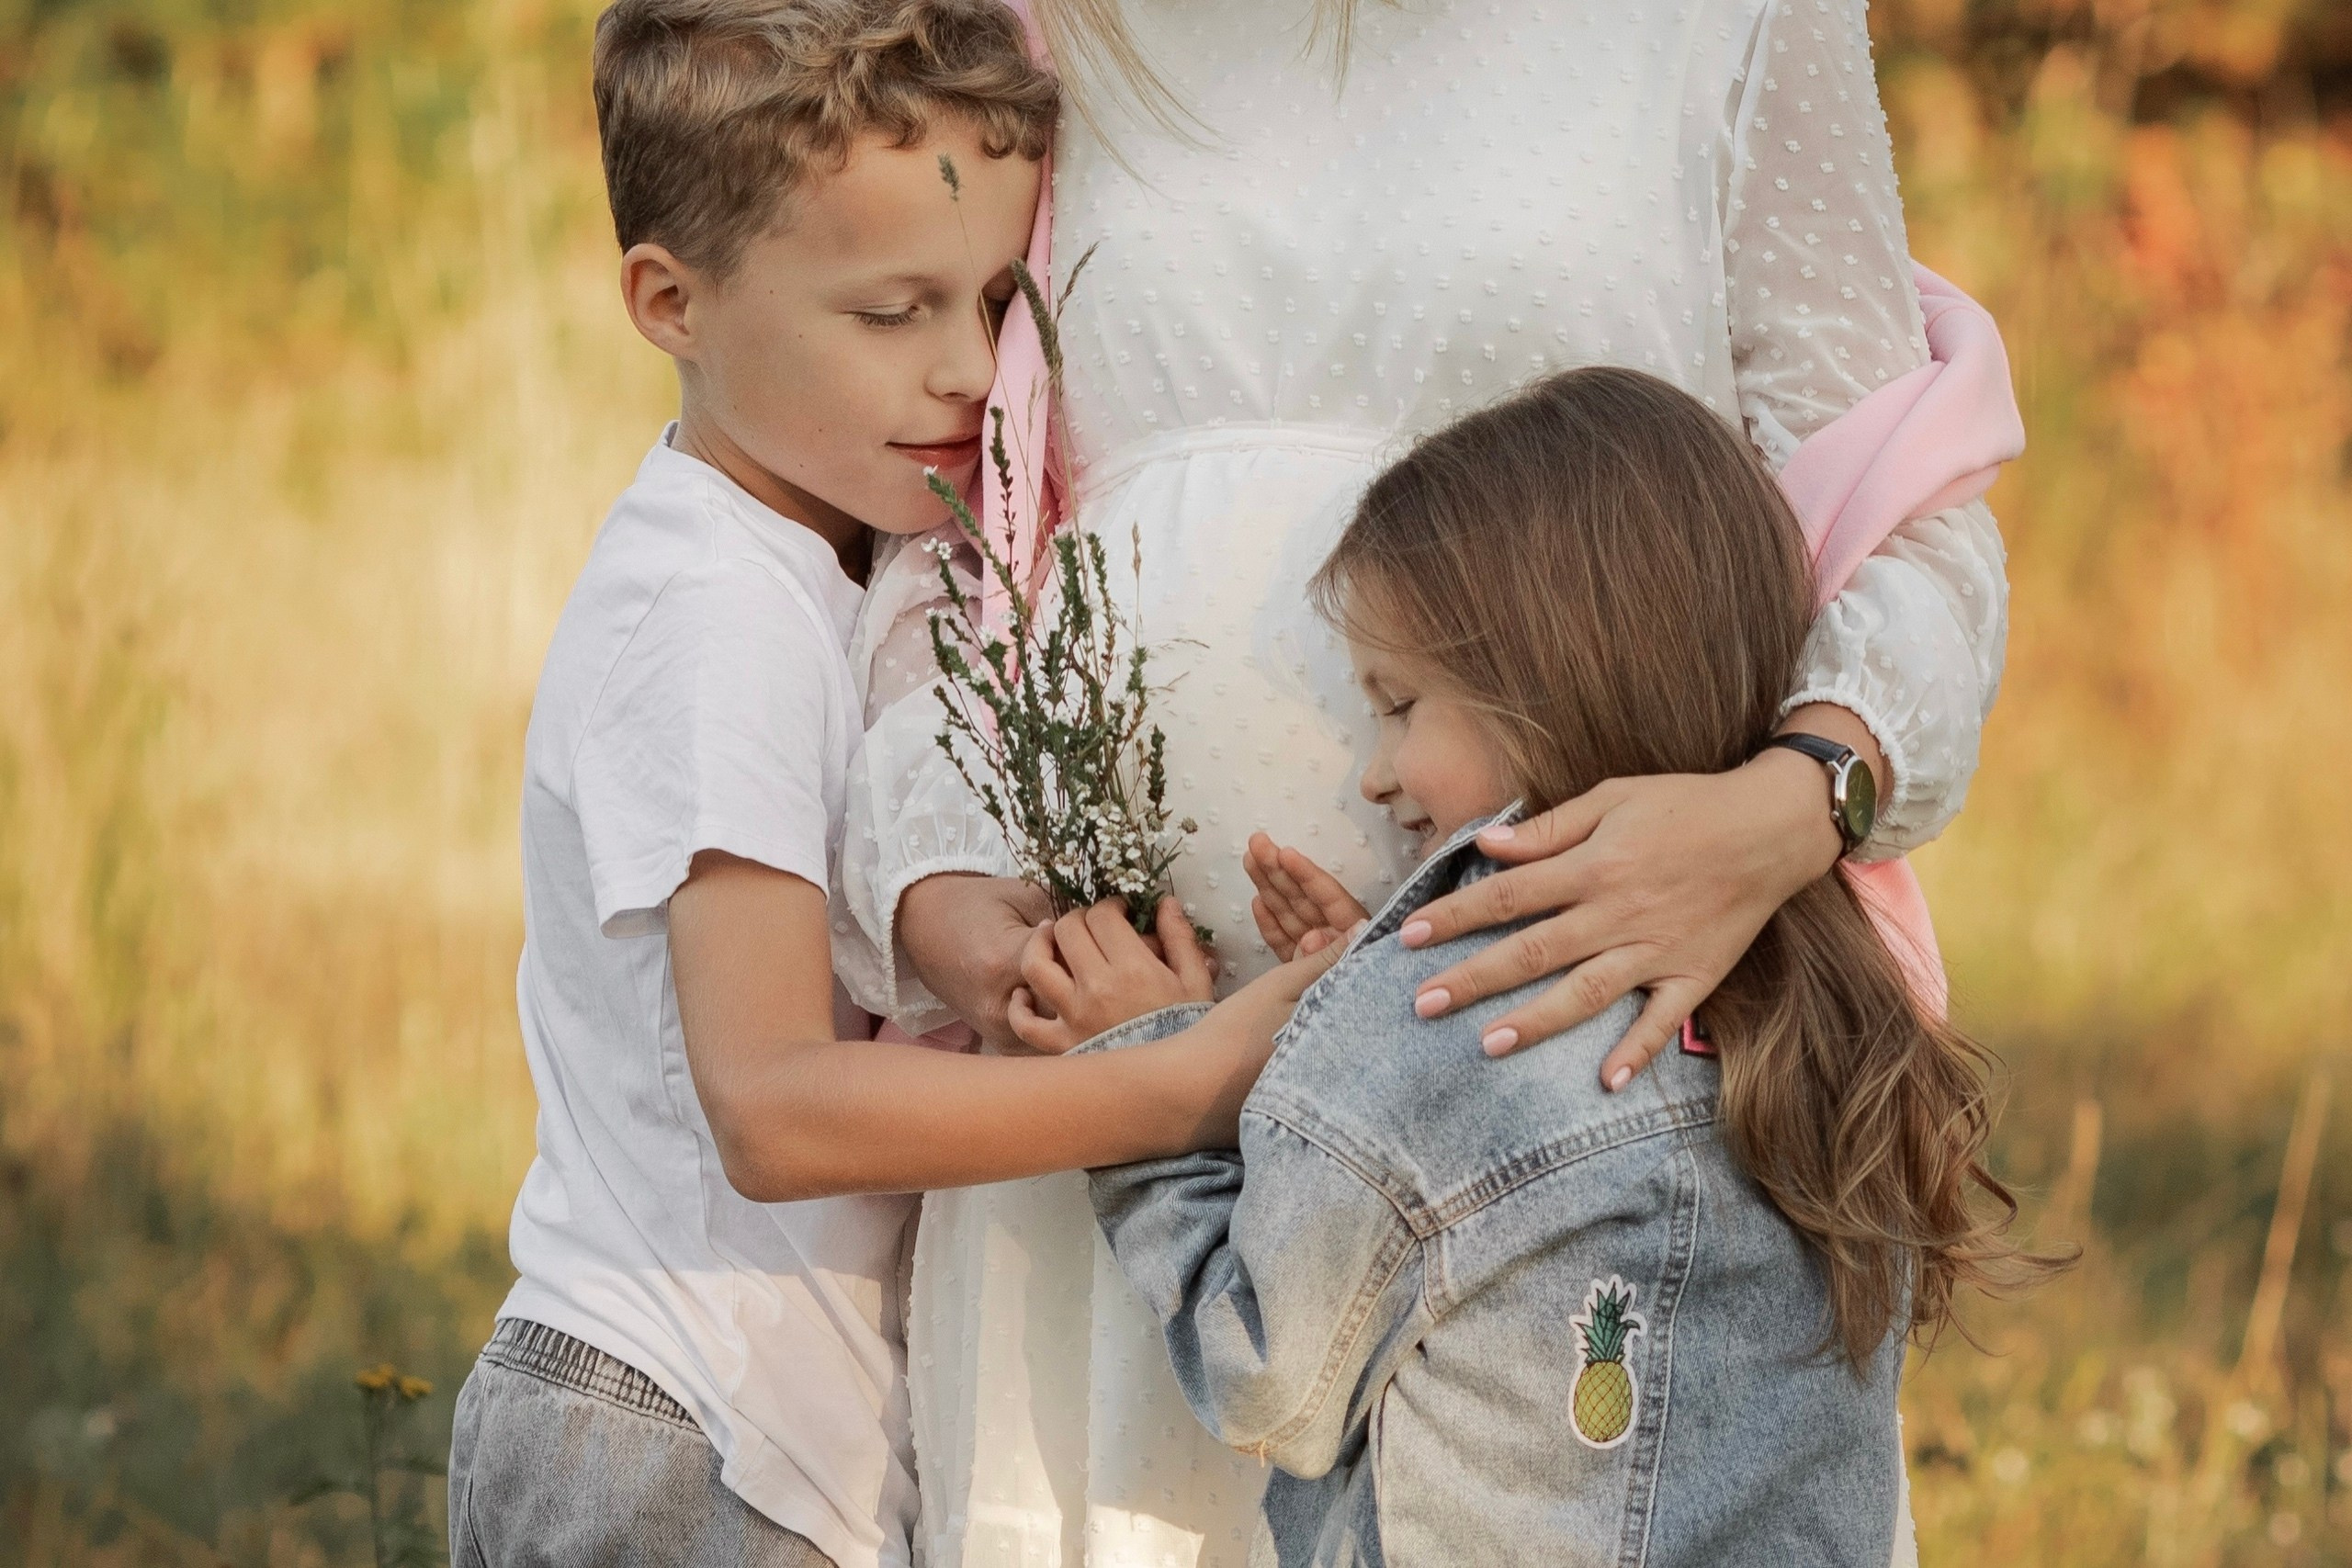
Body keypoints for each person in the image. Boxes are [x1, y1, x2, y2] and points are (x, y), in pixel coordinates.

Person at [838, 2, 2015, 1561]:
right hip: (1110, 1104)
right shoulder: (1054, 29)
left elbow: (1913, 517)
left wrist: (1791, 805)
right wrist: (938, 887)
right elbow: (942, 513)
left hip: (1561, 1077)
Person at [446, 6, 1330, 1564]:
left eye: (994, 297)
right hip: (675, 1440)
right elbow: (774, 1107)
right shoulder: (715, 617)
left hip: (745, 1436)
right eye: (891, 311)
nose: (970, 368)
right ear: (671, 300)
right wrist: (1167, 1085)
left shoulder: (824, 571)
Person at [1023, 367, 2043, 1566]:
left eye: (1398, 704)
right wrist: (1348, 1010)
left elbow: (1269, 1381)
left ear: (1545, 687)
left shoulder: (1445, 1027)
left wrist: (1156, 1081)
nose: (1374, 772)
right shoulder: (1824, 1005)